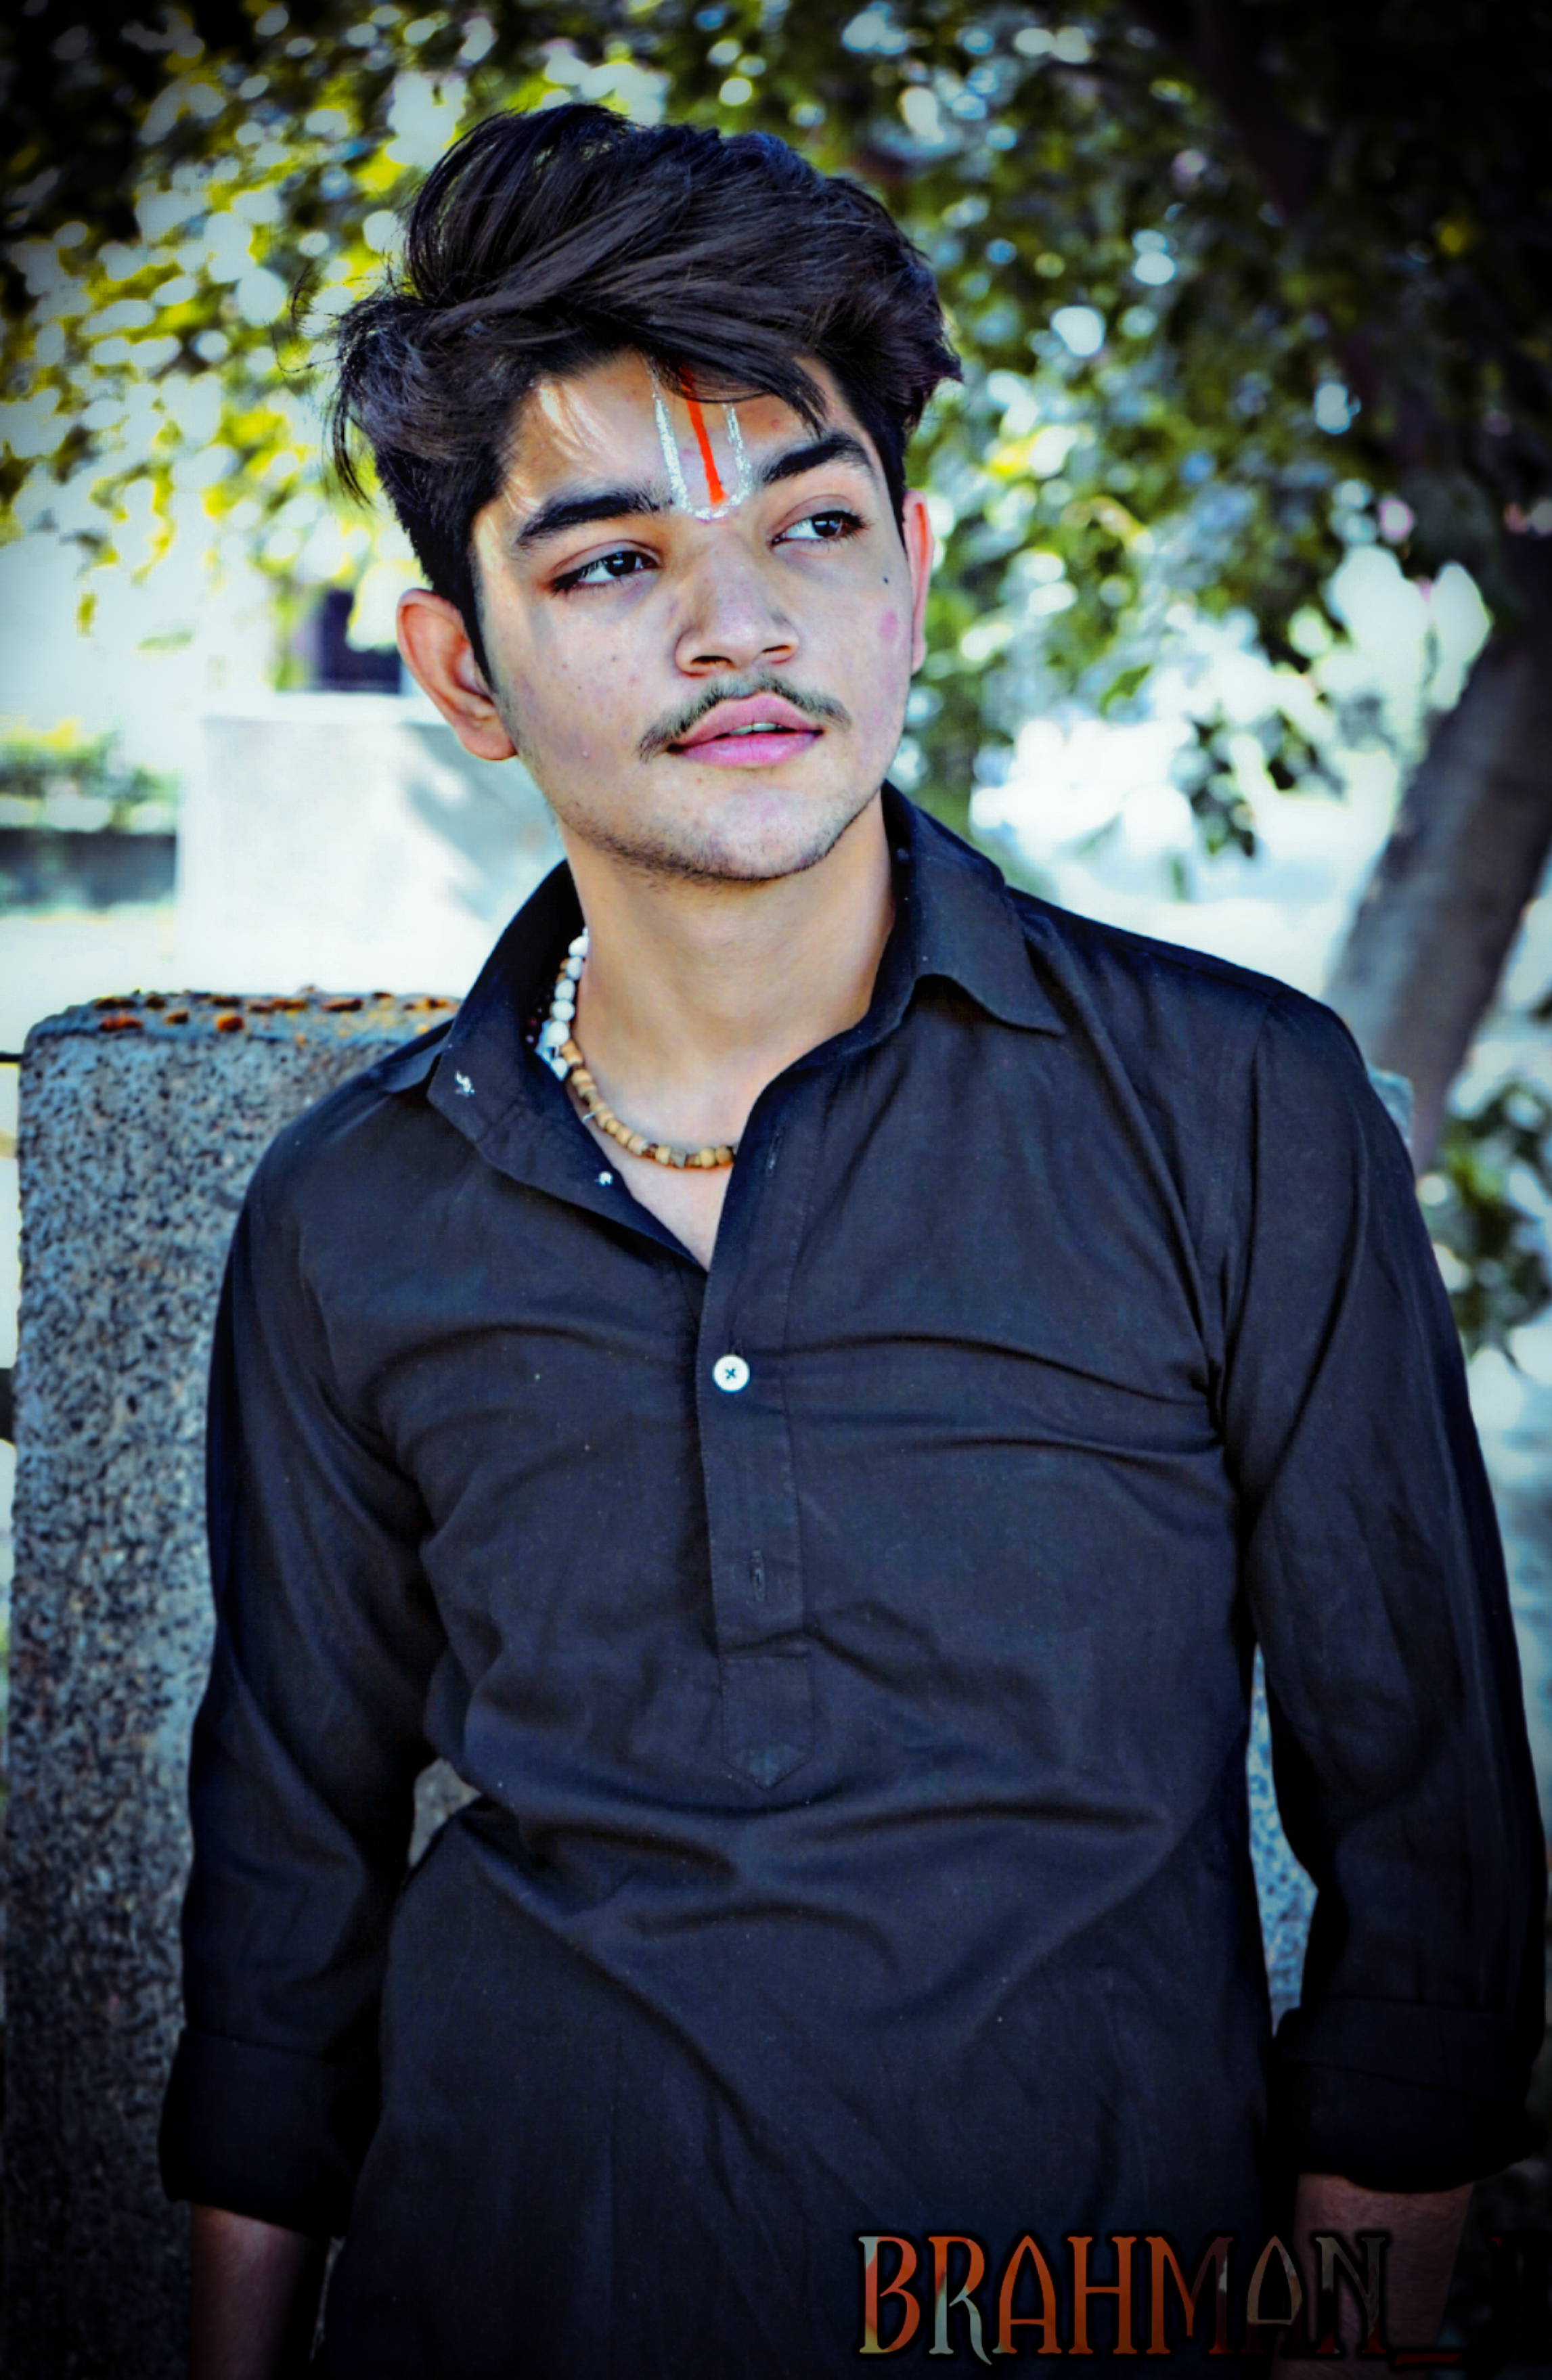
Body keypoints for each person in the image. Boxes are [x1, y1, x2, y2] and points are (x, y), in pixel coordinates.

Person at [160, 102, 1544, 2378]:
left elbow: (1434, 1858)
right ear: (462, 667)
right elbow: (288, 1875)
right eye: (613, 564)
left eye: (809, 528)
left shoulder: (1235, 1113)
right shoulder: (355, 1213)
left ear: (909, 565)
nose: (741, 629)